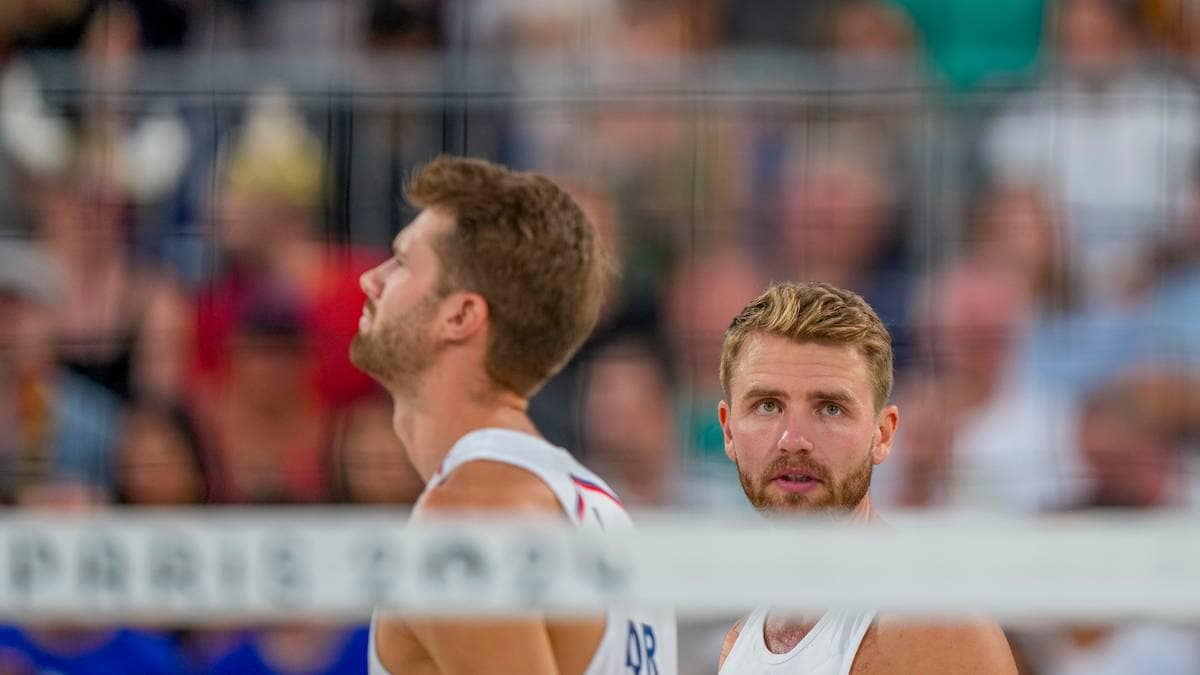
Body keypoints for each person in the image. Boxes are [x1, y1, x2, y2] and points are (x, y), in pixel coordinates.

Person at [349, 155, 677, 675]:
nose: (371, 279)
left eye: (402, 262)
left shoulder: (466, 516)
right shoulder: (597, 503)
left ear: (461, 315)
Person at [715, 281, 1017, 674]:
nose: (793, 440)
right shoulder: (742, 639)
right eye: (768, 405)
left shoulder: (933, 624)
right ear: (728, 430)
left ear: (884, 434)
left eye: (830, 408)